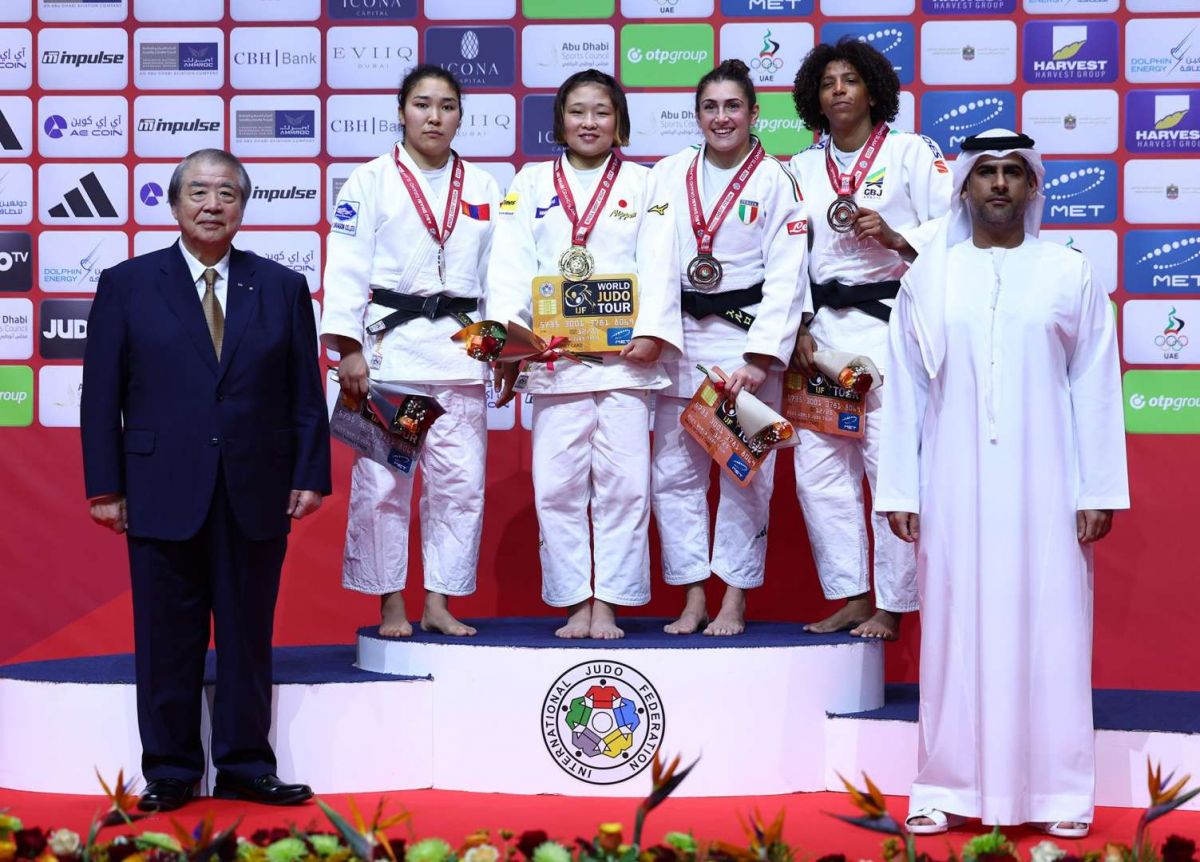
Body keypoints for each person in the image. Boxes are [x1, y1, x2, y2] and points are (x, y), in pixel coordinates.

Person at [875, 129, 1129, 838]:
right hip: (951, 482)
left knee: (1053, 630)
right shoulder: (929, 277)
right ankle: (943, 786)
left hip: (1047, 485)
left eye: (1012, 172)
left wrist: (1097, 490)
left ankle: (1058, 795)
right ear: (963, 187)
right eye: (984, 172)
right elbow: (907, 392)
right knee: (952, 631)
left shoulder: (1068, 272)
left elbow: (1095, 385)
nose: (998, 184)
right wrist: (900, 490)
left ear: (1032, 186)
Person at [81, 149, 331, 812]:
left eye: (227, 193)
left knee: (248, 635)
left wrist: (310, 472)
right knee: (166, 636)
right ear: (174, 204)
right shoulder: (128, 283)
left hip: (257, 485)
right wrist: (105, 486)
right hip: (159, 485)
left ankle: (246, 764)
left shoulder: (280, 286)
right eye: (198, 191)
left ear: (243, 207)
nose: (212, 204)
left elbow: (305, 393)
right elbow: (101, 395)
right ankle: (170, 770)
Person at [489, 69, 682, 639]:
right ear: (560, 121)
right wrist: (512, 344)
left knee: (626, 487)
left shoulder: (646, 183)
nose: (589, 122)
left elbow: (660, 261)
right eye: (577, 111)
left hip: (624, 363)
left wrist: (652, 330)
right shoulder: (529, 182)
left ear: (619, 121)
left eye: (601, 111)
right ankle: (575, 599)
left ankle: (611, 601)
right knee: (557, 487)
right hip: (555, 362)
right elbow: (509, 267)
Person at [322, 65, 499, 639]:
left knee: (460, 486)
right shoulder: (370, 180)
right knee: (384, 487)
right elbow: (346, 269)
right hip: (390, 358)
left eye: (447, 106)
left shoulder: (483, 186)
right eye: (422, 104)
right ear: (401, 112)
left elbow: (499, 279)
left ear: (460, 117)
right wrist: (349, 349)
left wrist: (500, 353)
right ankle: (391, 603)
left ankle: (439, 601)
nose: (434, 116)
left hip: (460, 357)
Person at [787, 39, 952, 640]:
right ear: (814, 98)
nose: (838, 90)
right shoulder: (801, 168)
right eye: (828, 82)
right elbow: (785, 254)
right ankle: (853, 595)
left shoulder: (911, 153)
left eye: (850, 80)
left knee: (890, 469)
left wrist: (898, 237)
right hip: (822, 337)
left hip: (889, 331)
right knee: (819, 472)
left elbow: (953, 228)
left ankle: (892, 604)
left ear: (874, 91)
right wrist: (797, 323)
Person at [651, 59, 809, 636]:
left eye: (733, 106)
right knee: (674, 475)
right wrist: (654, 336)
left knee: (746, 476)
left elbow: (788, 275)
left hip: (744, 346)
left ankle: (734, 597)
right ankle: (693, 594)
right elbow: (650, 260)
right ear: (697, 115)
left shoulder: (776, 180)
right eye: (711, 107)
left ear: (753, 113)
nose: (722, 118)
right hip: (680, 342)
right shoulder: (667, 174)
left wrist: (760, 357)